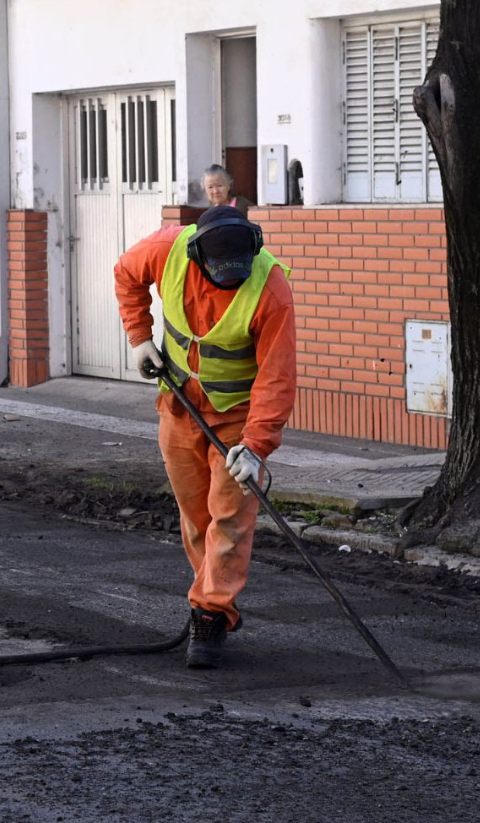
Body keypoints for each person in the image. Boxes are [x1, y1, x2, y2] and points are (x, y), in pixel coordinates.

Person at [113, 205, 296, 669]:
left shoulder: (271, 290)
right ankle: (211, 600)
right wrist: (140, 337)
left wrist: (256, 447)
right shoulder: (166, 249)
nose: (228, 282)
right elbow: (125, 274)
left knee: (229, 520)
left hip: (236, 423)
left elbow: (277, 378)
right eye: (218, 275)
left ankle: (210, 613)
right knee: (197, 518)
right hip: (178, 408)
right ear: (197, 255)